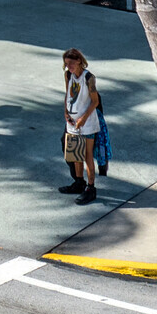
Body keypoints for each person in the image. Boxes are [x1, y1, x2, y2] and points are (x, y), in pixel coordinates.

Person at [58, 49, 103, 205]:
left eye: (71, 62)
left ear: (79, 61)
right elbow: (68, 95)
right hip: (72, 123)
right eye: (66, 63)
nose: (68, 66)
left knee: (86, 156)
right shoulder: (68, 75)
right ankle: (79, 183)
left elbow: (95, 101)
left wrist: (83, 118)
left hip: (87, 124)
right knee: (75, 155)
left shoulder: (88, 78)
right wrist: (65, 112)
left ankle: (91, 188)